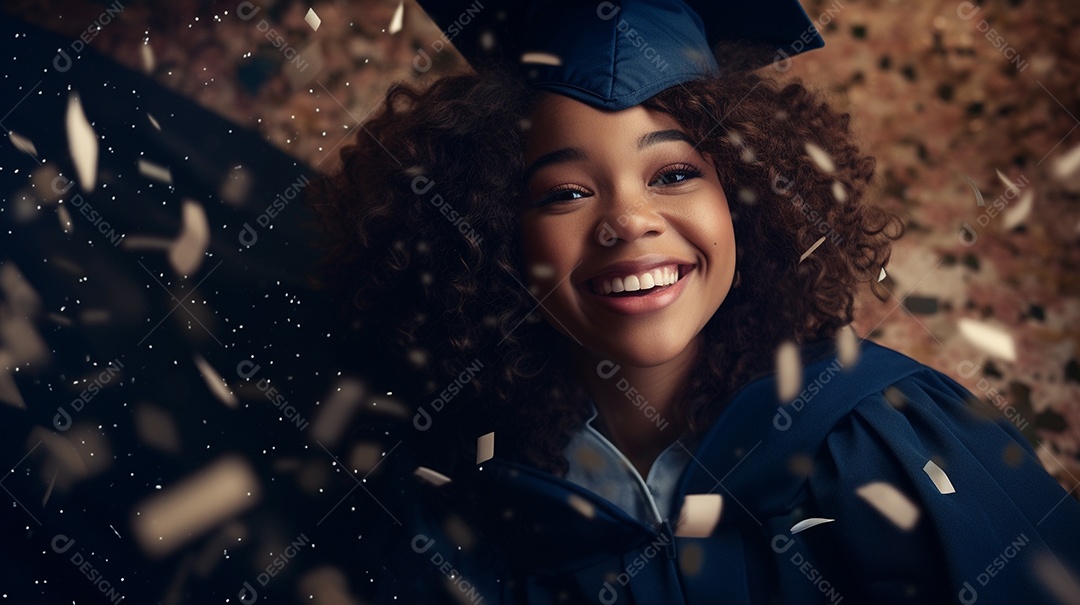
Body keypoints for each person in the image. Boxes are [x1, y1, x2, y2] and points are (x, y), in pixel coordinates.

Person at [308, 1, 1080, 603]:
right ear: (493, 238)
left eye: (673, 174)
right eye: (566, 192)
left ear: (744, 200)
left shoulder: (886, 434)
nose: (627, 221)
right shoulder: (467, 512)